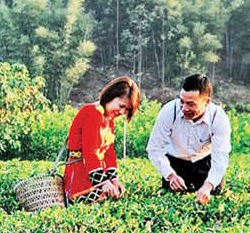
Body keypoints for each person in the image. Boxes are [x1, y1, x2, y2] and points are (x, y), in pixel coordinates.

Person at [146, 73, 231, 205]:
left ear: (206, 102)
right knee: (171, 197)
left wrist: (208, 186)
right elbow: (154, 147)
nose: (184, 108)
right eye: (182, 101)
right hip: (176, 163)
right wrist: (170, 175)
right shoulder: (169, 111)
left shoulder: (218, 118)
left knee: (214, 194)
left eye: (191, 104)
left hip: (204, 162)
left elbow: (221, 156)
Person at [63, 76, 141, 205]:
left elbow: (109, 153)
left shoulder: (108, 120)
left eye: (126, 109)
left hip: (95, 175)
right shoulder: (92, 113)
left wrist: (114, 180)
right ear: (110, 96)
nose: (122, 111)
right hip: (80, 176)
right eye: (121, 105)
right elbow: (90, 152)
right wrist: (103, 182)